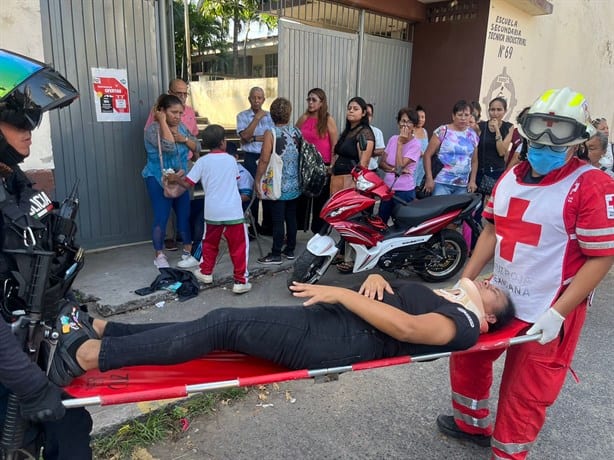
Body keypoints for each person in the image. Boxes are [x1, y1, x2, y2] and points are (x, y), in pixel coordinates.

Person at [436, 88, 614, 459]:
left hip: (549, 304)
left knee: (527, 386)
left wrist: (558, 313)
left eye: (558, 134)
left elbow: (601, 258)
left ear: (577, 140)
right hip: (501, 295)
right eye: (540, 131)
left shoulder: (592, 185)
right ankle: (472, 424)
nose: (545, 143)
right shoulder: (511, 176)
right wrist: (466, 282)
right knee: (467, 354)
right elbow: (490, 230)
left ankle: (508, 453)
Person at [47, 274, 515, 388]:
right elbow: (399, 302)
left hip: (341, 339)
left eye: (497, 293)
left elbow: (410, 328)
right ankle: (106, 329)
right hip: (337, 324)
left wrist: (342, 293)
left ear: (490, 317)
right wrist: (375, 279)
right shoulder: (452, 298)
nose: (491, 283)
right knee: (217, 327)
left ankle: (87, 356)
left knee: (224, 322)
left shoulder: (466, 325)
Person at [0, 49, 92, 459]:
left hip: (37, 347)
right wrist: (32, 386)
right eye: (19, 120)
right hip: (13, 371)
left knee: (70, 434)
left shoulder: (14, 181)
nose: (31, 129)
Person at [167, 125, 251, 294]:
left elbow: (188, 184)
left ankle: (206, 272)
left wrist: (176, 178)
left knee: (210, 243)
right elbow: (235, 179)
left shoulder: (202, 162)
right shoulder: (230, 160)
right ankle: (240, 281)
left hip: (212, 211)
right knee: (239, 246)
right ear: (223, 142)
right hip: (232, 211)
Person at [142, 94, 200, 269]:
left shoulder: (182, 128)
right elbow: (167, 145)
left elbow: (196, 146)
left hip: (180, 178)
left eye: (180, 113)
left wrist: (183, 139)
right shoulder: (152, 130)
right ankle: (159, 254)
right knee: (162, 216)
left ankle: (187, 250)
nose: (178, 116)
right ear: (162, 111)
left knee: (184, 215)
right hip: (158, 178)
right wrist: (162, 122)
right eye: (173, 112)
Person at [331, 96, 375, 273]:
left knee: (351, 219)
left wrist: (355, 185)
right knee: (339, 219)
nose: (351, 110)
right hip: (338, 180)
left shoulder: (365, 133)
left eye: (355, 108)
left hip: (351, 181)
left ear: (363, 113)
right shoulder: (348, 131)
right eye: (349, 107)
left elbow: (363, 164)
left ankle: (350, 258)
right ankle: (342, 252)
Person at [255, 97, 301, 264]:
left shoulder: (271, 133)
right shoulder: (297, 132)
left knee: (277, 220)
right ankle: (290, 250)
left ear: (272, 114)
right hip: (294, 183)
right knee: (291, 218)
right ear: (289, 114)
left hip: (277, 184)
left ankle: (275, 254)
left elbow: (264, 160)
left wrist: (258, 181)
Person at [295, 88, 338, 233]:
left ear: (321, 102)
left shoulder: (328, 119)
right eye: (309, 99)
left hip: (323, 166)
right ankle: (299, 228)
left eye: (314, 100)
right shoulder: (304, 118)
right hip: (306, 167)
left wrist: (332, 165)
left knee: (320, 202)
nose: (310, 103)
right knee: (302, 201)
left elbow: (334, 144)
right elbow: (295, 139)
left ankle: (318, 233)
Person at [236, 87, 275, 235]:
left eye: (260, 98)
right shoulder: (242, 116)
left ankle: (267, 225)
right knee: (252, 189)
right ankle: (252, 226)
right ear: (249, 99)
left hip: (267, 156)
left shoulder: (271, 117)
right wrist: (257, 118)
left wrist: (254, 138)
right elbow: (245, 136)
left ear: (264, 100)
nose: (257, 101)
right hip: (251, 157)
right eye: (254, 98)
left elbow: (272, 137)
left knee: (267, 189)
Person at [422, 100, 479, 196]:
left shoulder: (473, 135)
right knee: (441, 210)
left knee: (459, 211)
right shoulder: (443, 131)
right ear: (453, 116)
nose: (463, 118)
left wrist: (472, 181)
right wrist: (429, 178)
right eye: (460, 115)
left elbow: (474, 161)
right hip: (441, 183)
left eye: (466, 115)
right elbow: (427, 155)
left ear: (470, 116)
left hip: (462, 186)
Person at [377, 107, 421, 222]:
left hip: (404, 191)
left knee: (402, 224)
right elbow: (381, 163)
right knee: (381, 222)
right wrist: (392, 170)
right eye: (403, 121)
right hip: (388, 189)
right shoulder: (392, 139)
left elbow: (400, 166)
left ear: (414, 126)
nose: (405, 125)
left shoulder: (415, 145)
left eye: (409, 122)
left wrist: (401, 143)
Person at [476, 97, 514, 198]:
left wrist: (497, 129)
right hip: (479, 170)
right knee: (477, 204)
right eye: (492, 109)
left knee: (491, 203)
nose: (495, 113)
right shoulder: (480, 126)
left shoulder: (509, 127)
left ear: (505, 111)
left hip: (496, 171)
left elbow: (501, 152)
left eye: (499, 110)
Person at [412, 105, 429, 187]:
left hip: (422, 165)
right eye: (418, 117)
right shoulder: (410, 131)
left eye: (423, 117)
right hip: (412, 164)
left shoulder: (425, 131)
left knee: (418, 186)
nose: (421, 119)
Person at [366, 103, 386, 172]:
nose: (366, 117)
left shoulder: (377, 132)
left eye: (368, 114)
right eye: (364, 114)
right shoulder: (353, 131)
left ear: (372, 117)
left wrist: (366, 153)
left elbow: (381, 151)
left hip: (371, 170)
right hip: (353, 171)